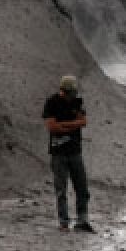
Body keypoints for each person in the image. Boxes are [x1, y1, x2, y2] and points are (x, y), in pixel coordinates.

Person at [43, 75, 93, 232]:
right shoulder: (51, 102)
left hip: (75, 151)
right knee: (61, 189)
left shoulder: (77, 101)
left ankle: (82, 220)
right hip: (58, 153)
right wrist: (73, 125)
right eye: (71, 92)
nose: (73, 95)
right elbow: (52, 127)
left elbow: (83, 121)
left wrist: (64, 125)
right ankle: (63, 222)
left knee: (82, 187)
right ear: (63, 91)